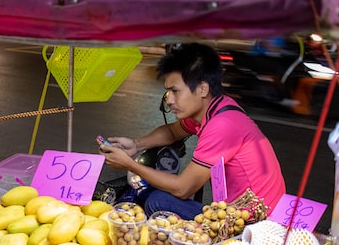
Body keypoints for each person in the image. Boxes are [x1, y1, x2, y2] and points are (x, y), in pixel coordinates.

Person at [99, 42, 286, 220]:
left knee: (158, 202)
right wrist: (136, 144)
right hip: (234, 210)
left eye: (175, 91)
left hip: (253, 223)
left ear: (202, 89)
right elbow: (173, 132)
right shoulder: (216, 107)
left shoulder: (223, 125)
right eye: (167, 92)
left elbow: (183, 188)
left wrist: (130, 165)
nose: (169, 100)